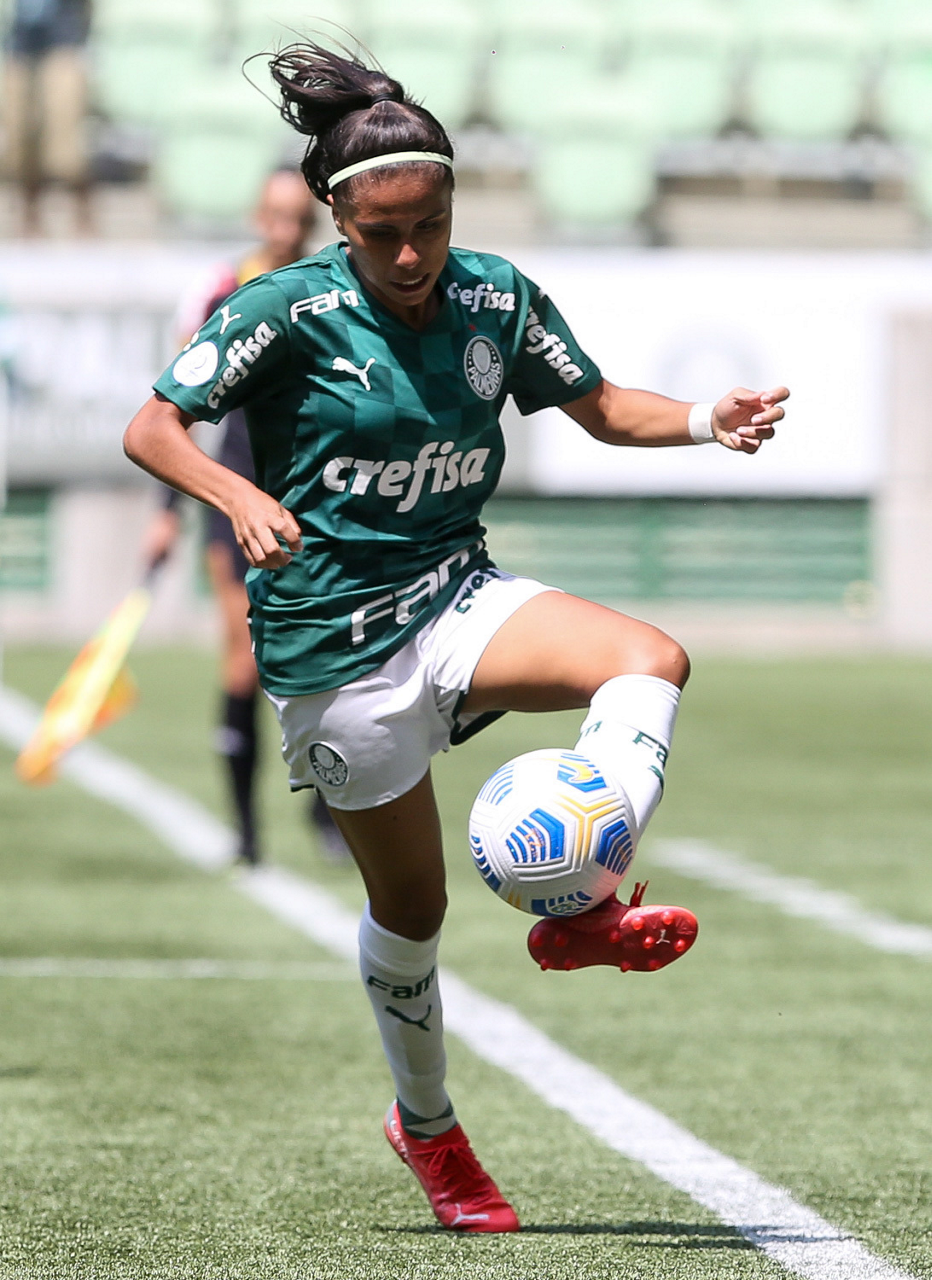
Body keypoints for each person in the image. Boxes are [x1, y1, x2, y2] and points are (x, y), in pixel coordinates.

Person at [123, 43, 787, 1235]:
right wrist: (236, 495)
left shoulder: (492, 295)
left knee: (647, 659)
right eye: (382, 234)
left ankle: (578, 906)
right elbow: (152, 425)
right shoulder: (282, 309)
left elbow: (598, 408)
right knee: (412, 912)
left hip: (451, 592)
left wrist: (704, 418)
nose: (410, 254)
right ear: (337, 221)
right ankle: (426, 1125)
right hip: (333, 647)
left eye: (428, 224)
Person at [141, 168, 348, 866]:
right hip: (236, 496)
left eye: (300, 217)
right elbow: (176, 408)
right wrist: (168, 510)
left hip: (317, 501)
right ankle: (246, 829)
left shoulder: (337, 287)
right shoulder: (222, 289)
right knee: (243, 659)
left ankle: (328, 814)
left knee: (333, 663)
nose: (288, 228)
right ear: (259, 217)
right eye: (277, 215)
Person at [2, 0, 92, 236]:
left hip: (63, 39)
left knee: (63, 139)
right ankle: (29, 217)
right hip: (18, 43)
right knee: (20, 135)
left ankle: (83, 216)